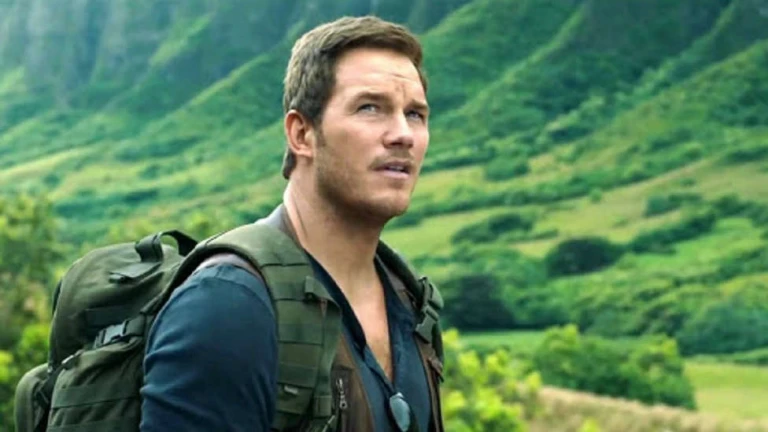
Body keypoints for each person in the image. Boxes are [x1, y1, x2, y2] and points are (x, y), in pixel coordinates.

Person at [140, 15, 443, 432]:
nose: (403, 134)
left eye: (415, 114)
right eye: (370, 108)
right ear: (301, 135)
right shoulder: (229, 304)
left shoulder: (408, 299)